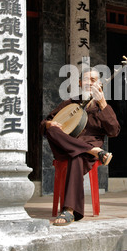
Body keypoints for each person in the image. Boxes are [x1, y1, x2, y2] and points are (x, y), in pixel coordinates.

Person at [40, 67, 120, 226]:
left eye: (94, 80)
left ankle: (69, 210)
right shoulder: (70, 103)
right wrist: (49, 124)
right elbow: (43, 125)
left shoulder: (101, 106)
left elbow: (114, 131)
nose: (90, 83)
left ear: (99, 84)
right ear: (79, 83)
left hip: (84, 151)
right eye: (87, 80)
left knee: (76, 156)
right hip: (72, 147)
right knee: (52, 130)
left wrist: (103, 103)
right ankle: (94, 152)